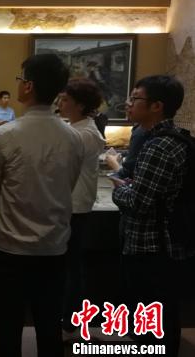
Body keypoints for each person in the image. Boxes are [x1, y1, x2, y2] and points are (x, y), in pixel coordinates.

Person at [0, 54, 83, 357]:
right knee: (49, 328)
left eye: (20, 79)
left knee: (8, 329)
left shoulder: (5, 134)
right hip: (54, 248)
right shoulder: (74, 137)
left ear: (28, 86)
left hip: (9, 248)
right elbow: (69, 186)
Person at [111, 75, 192, 357]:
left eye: (135, 98)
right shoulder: (175, 139)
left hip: (152, 246)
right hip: (167, 243)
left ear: (157, 106)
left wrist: (119, 189)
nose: (129, 103)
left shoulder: (158, 146)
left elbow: (139, 202)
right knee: (162, 313)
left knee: (152, 317)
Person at [56, 79, 106, 338]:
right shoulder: (77, 128)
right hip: (72, 203)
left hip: (75, 205)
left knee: (71, 266)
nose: (60, 103)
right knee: (69, 264)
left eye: (65, 99)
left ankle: (70, 320)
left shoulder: (84, 133)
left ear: (80, 105)